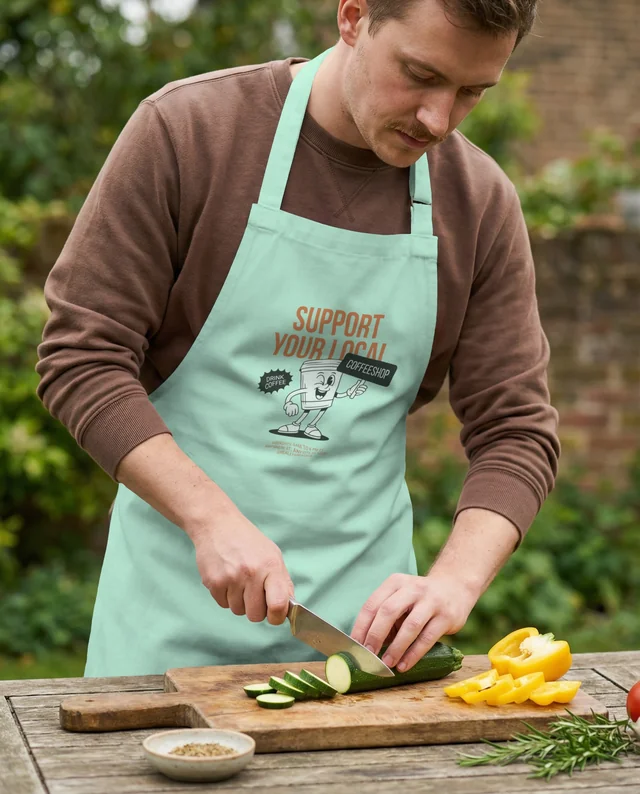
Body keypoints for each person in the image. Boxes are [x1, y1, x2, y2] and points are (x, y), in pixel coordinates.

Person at [36, 0, 560, 677]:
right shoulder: (190, 133)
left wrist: (454, 583)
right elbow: (82, 357)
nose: (438, 117)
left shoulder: (479, 202)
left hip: (361, 651)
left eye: (470, 93)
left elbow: (517, 430)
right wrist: (210, 520)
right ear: (352, 16)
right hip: (165, 632)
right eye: (420, 75)